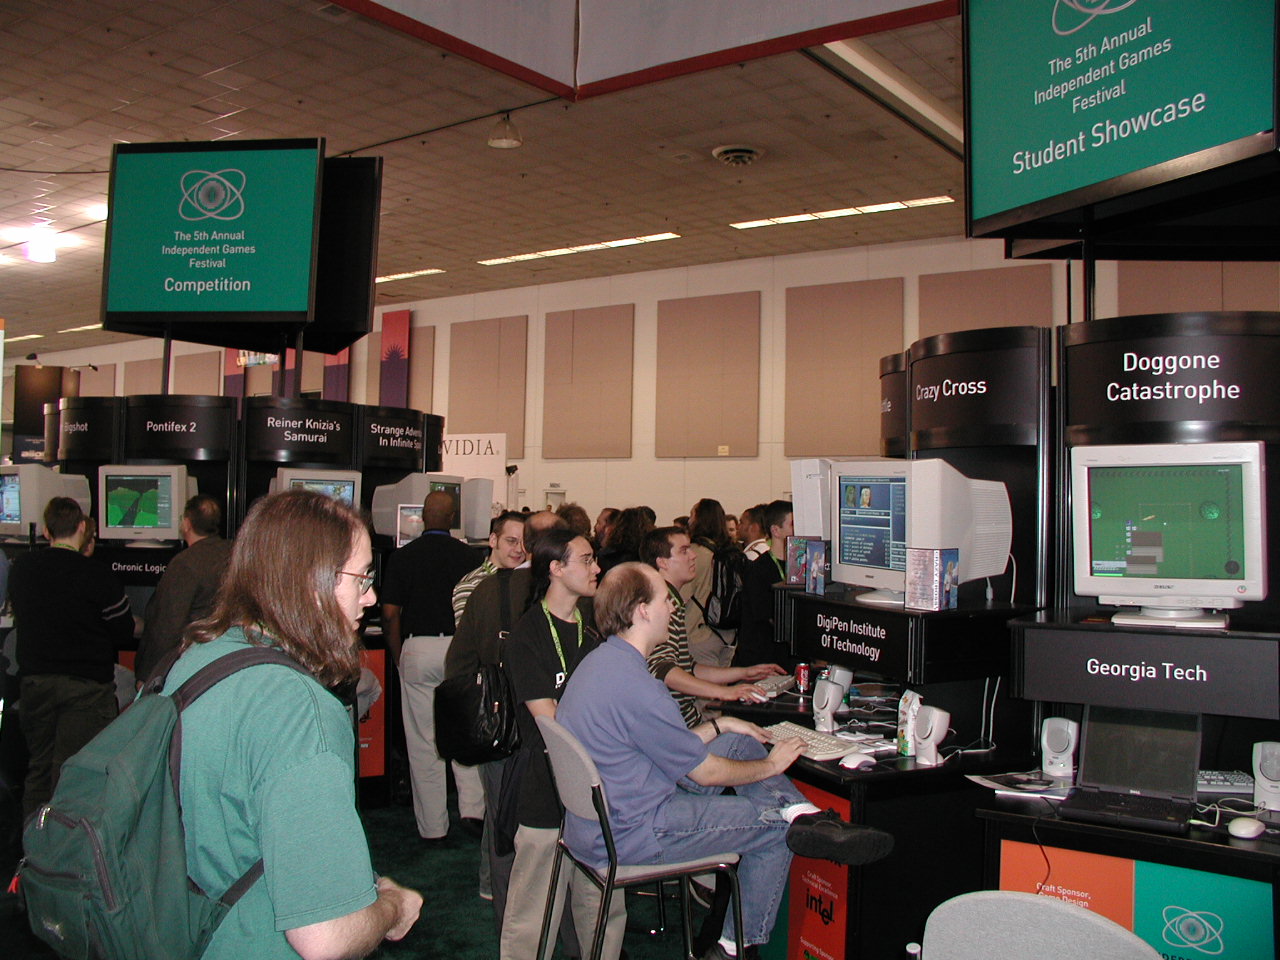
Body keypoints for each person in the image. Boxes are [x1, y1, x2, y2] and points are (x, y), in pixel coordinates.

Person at [557, 563, 892, 960]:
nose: (673, 608)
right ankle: (734, 948)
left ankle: (805, 815)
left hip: (599, 820)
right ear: (642, 610)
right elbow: (704, 773)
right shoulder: (639, 688)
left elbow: (662, 743)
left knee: (735, 740)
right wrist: (773, 765)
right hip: (634, 831)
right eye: (665, 600)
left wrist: (720, 726)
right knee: (775, 830)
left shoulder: (601, 663)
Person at [160, 490, 422, 958]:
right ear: (312, 583)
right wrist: (393, 908)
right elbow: (325, 936)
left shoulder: (202, 655)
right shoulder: (300, 711)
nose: (371, 596)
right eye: (361, 578)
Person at [499, 528, 626, 960]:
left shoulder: (597, 629)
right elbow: (548, 721)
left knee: (602, 906)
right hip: (545, 787)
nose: (597, 568)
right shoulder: (528, 634)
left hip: (597, 789)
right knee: (534, 912)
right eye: (587, 560)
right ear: (555, 568)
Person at [10, 497, 133, 816]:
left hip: (36, 685)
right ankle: (68, 842)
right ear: (81, 527)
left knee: (39, 771)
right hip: (86, 689)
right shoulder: (97, 574)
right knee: (76, 775)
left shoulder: (22, 568)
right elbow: (123, 631)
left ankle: (32, 840)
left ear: (47, 531)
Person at [381, 489, 485, 844]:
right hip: (460, 650)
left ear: (422, 517)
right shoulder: (471, 557)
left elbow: (390, 614)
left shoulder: (402, 557)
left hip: (419, 648)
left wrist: (400, 655)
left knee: (424, 742)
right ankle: (473, 811)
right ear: (453, 519)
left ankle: (433, 828)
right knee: (464, 732)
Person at [641, 526, 785, 727]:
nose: (693, 555)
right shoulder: (663, 606)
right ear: (662, 562)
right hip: (678, 726)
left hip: (686, 721)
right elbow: (665, 671)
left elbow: (689, 668)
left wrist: (745, 673)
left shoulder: (673, 601)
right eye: (684, 551)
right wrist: (726, 692)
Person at [134, 494, 234, 685]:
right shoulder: (235, 553)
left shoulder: (185, 564)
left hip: (190, 666)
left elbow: (167, 625)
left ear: (187, 524)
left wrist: (148, 675)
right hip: (228, 660)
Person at [734, 499, 794, 670]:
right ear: (776, 530)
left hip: (789, 656)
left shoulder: (798, 568)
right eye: (792, 524)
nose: (798, 530)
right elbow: (765, 616)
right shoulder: (758, 569)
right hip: (762, 659)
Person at [683, 498, 737, 668]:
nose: (689, 520)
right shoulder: (731, 552)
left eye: (692, 515)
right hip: (729, 634)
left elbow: (682, 596)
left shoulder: (694, 553)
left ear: (700, 519)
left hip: (699, 632)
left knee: (700, 684)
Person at [452, 511, 527, 623]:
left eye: (524, 543)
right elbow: (467, 632)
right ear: (493, 540)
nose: (519, 549)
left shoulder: (527, 582)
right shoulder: (471, 585)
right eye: (511, 541)